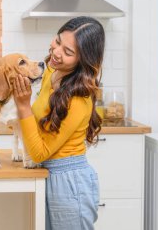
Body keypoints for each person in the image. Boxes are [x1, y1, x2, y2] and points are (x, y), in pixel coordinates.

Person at [12, 16, 104, 230]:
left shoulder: (78, 99)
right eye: (58, 41)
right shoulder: (52, 72)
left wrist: (23, 106)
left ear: (84, 60)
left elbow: (39, 152)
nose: (56, 52)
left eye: (68, 52)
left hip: (70, 183)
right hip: (48, 176)